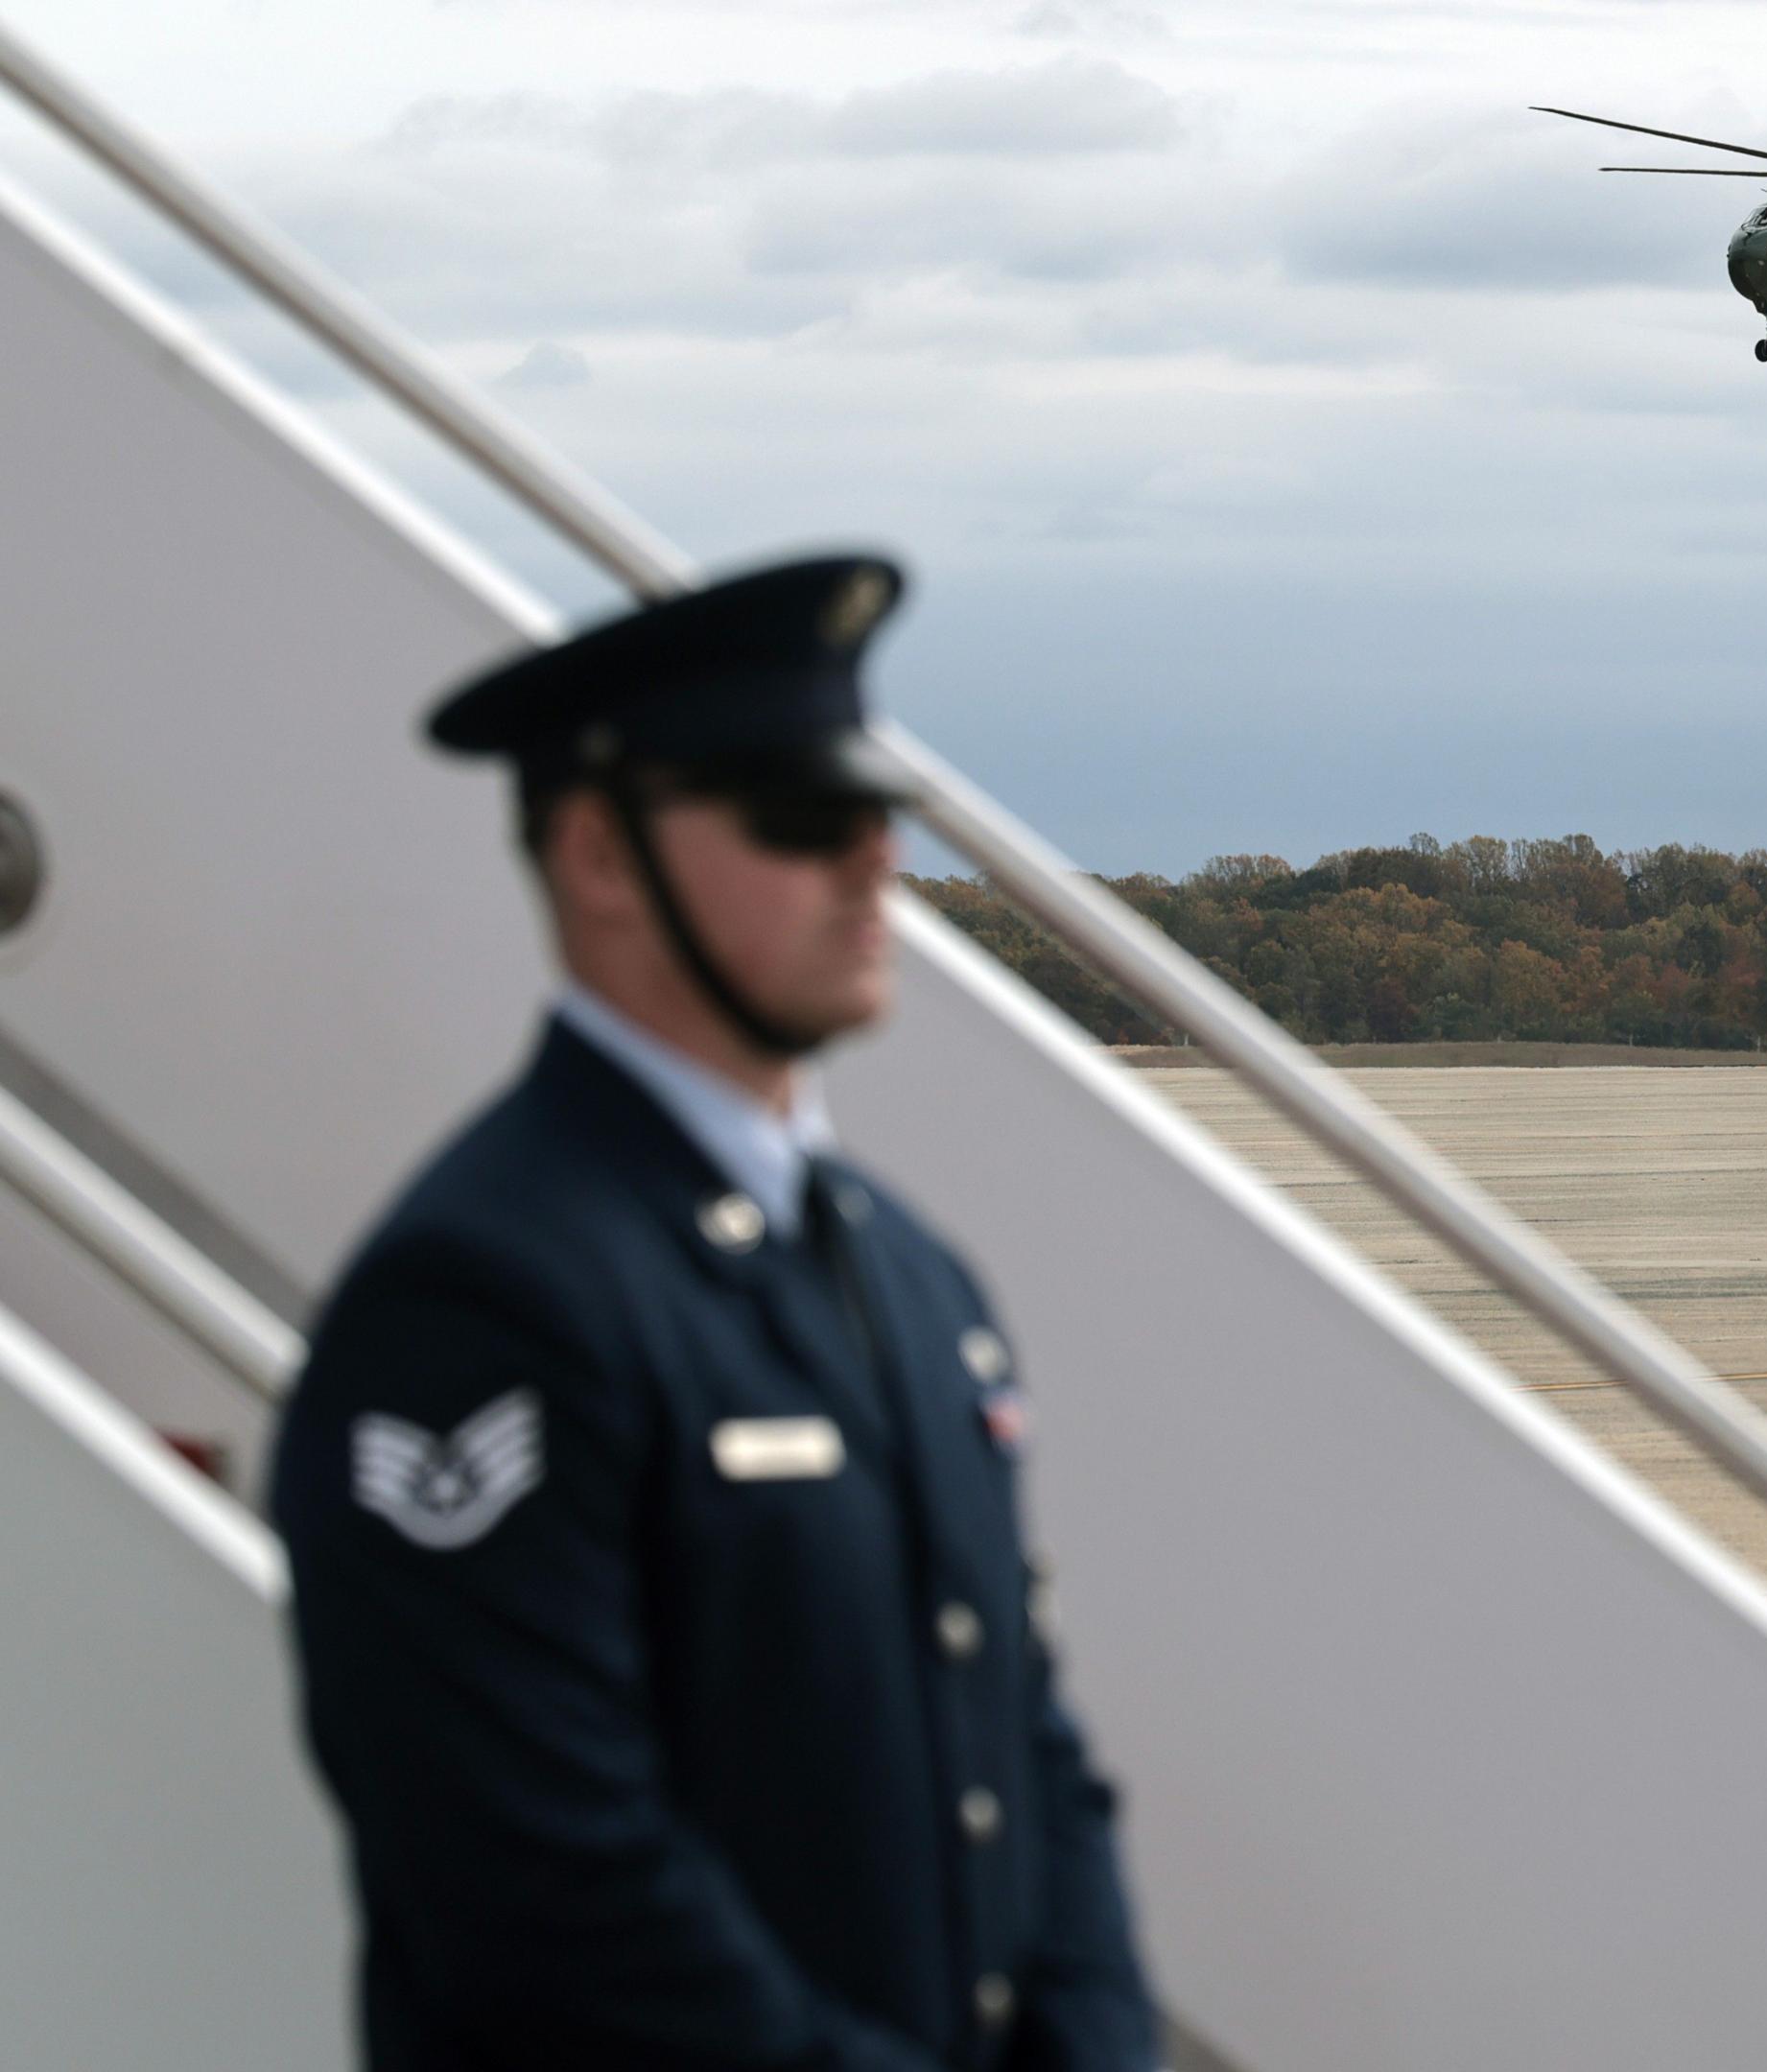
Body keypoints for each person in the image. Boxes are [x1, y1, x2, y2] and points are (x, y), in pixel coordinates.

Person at [270, 555, 1159, 2071]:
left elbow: (1025, 1746)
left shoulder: (911, 1278)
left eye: (880, 817)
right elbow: (543, 1898)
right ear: (602, 855)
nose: (874, 864)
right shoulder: (486, 1297)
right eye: (802, 820)